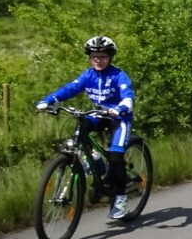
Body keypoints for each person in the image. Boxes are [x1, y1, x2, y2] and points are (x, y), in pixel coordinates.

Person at [36, 36, 135, 220]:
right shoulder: (88, 75)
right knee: (81, 124)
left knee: (115, 157)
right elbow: (70, 88)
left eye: (103, 56)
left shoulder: (118, 75)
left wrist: (121, 108)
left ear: (110, 57)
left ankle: (120, 199)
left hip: (119, 118)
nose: (98, 60)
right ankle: (95, 161)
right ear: (90, 57)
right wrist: (49, 100)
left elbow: (128, 95)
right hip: (98, 114)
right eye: (95, 56)